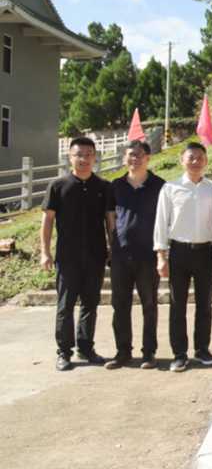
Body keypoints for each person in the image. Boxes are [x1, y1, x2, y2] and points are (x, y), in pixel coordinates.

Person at [40, 137, 113, 371]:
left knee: (90, 303)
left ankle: (86, 347)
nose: (84, 159)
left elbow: (110, 221)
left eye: (88, 154)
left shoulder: (103, 187)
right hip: (67, 257)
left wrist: (112, 248)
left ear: (95, 157)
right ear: (70, 157)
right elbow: (47, 221)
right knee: (65, 305)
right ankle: (64, 352)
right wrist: (45, 252)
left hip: (95, 255)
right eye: (78, 154)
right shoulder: (58, 186)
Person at [154, 142, 212, 373]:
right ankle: (179, 354)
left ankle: (202, 349)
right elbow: (161, 223)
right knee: (177, 305)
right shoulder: (170, 188)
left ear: (206, 161)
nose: (195, 161)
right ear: (182, 160)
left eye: (200, 157)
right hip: (179, 252)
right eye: (191, 157)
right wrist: (161, 256)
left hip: (206, 253)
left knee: (205, 304)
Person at [105, 140, 165, 370]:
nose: (134, 159)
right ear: (124, 158)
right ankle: (123, 352)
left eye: (139, 155)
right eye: (130, 154)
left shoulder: (159, 185)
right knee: (120, 305)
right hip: (121, 255)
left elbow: (165, 219)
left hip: (148, 255)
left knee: (149, 304)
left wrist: (162, 253)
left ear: (148, 158)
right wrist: (111, 244)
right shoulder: (116, 185)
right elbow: (110, 217)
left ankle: (149, 353)